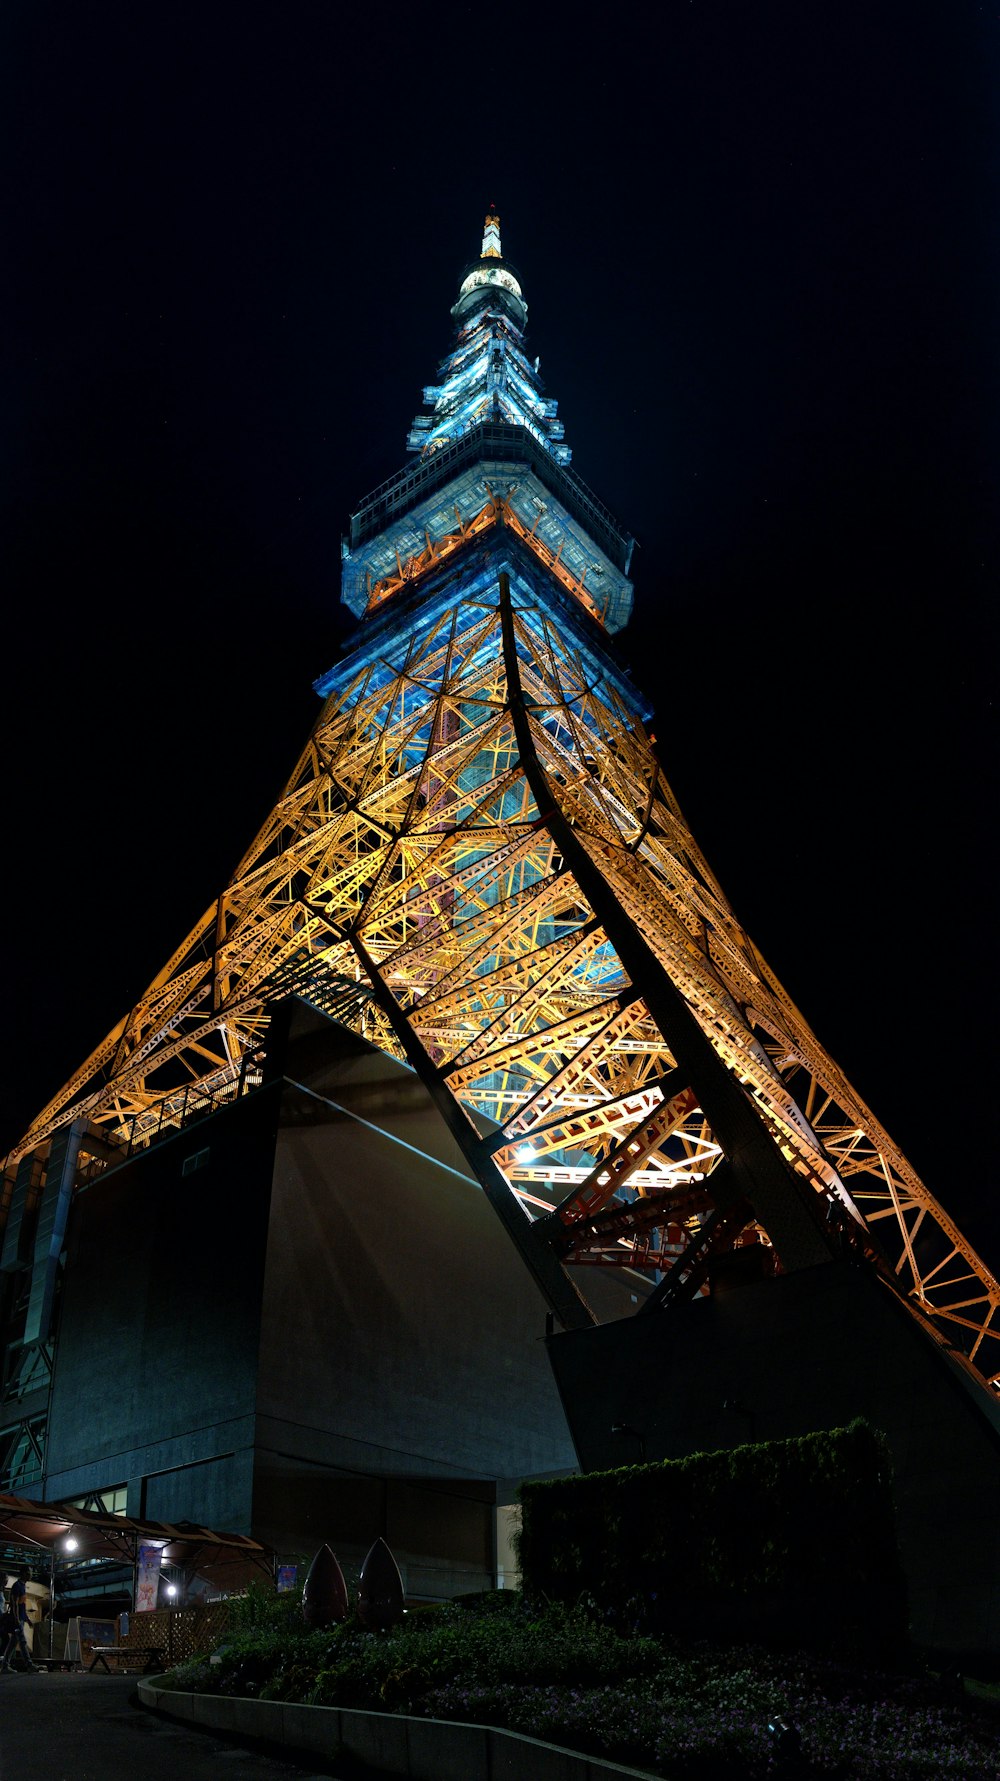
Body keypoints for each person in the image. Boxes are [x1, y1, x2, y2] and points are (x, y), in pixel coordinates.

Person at [3, 1569, 37, 1671]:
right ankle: (29, 1664)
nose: (31, 1574)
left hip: (20, 1619)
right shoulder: (17, 1586)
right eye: (29, 1573)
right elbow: (14, 1604)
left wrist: (27, 1619)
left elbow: (21, 1605)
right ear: (23, 1574)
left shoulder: (22, 1586)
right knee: (22, 1641)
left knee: (13, 1643)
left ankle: (5, 1665)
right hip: (17, 1620)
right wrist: (17, 1619)